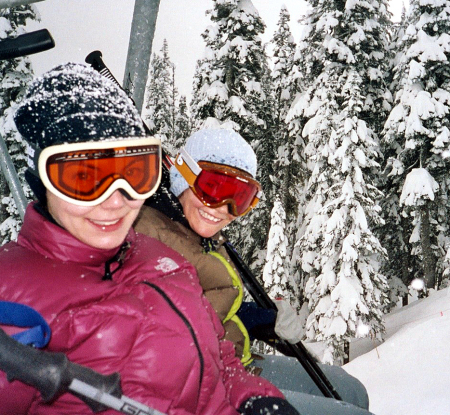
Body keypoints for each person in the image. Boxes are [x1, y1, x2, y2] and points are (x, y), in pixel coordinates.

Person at [0, 63, 300, 415]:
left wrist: (255, 398)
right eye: (83, 178)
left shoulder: (158, 258)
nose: (115, 201)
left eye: (133, 173)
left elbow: (216, 354)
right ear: (42, 180)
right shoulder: (12, 300)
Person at [134, 128, 374, 415]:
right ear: (182, 175)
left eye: (240, 196)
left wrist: (264, 321)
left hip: (234, 361)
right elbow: (171, 340)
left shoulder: (193, 231)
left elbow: (204, 310)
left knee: (351, 390)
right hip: (197, 388)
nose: (223, 208)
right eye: (213, 188)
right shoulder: (149, 238)